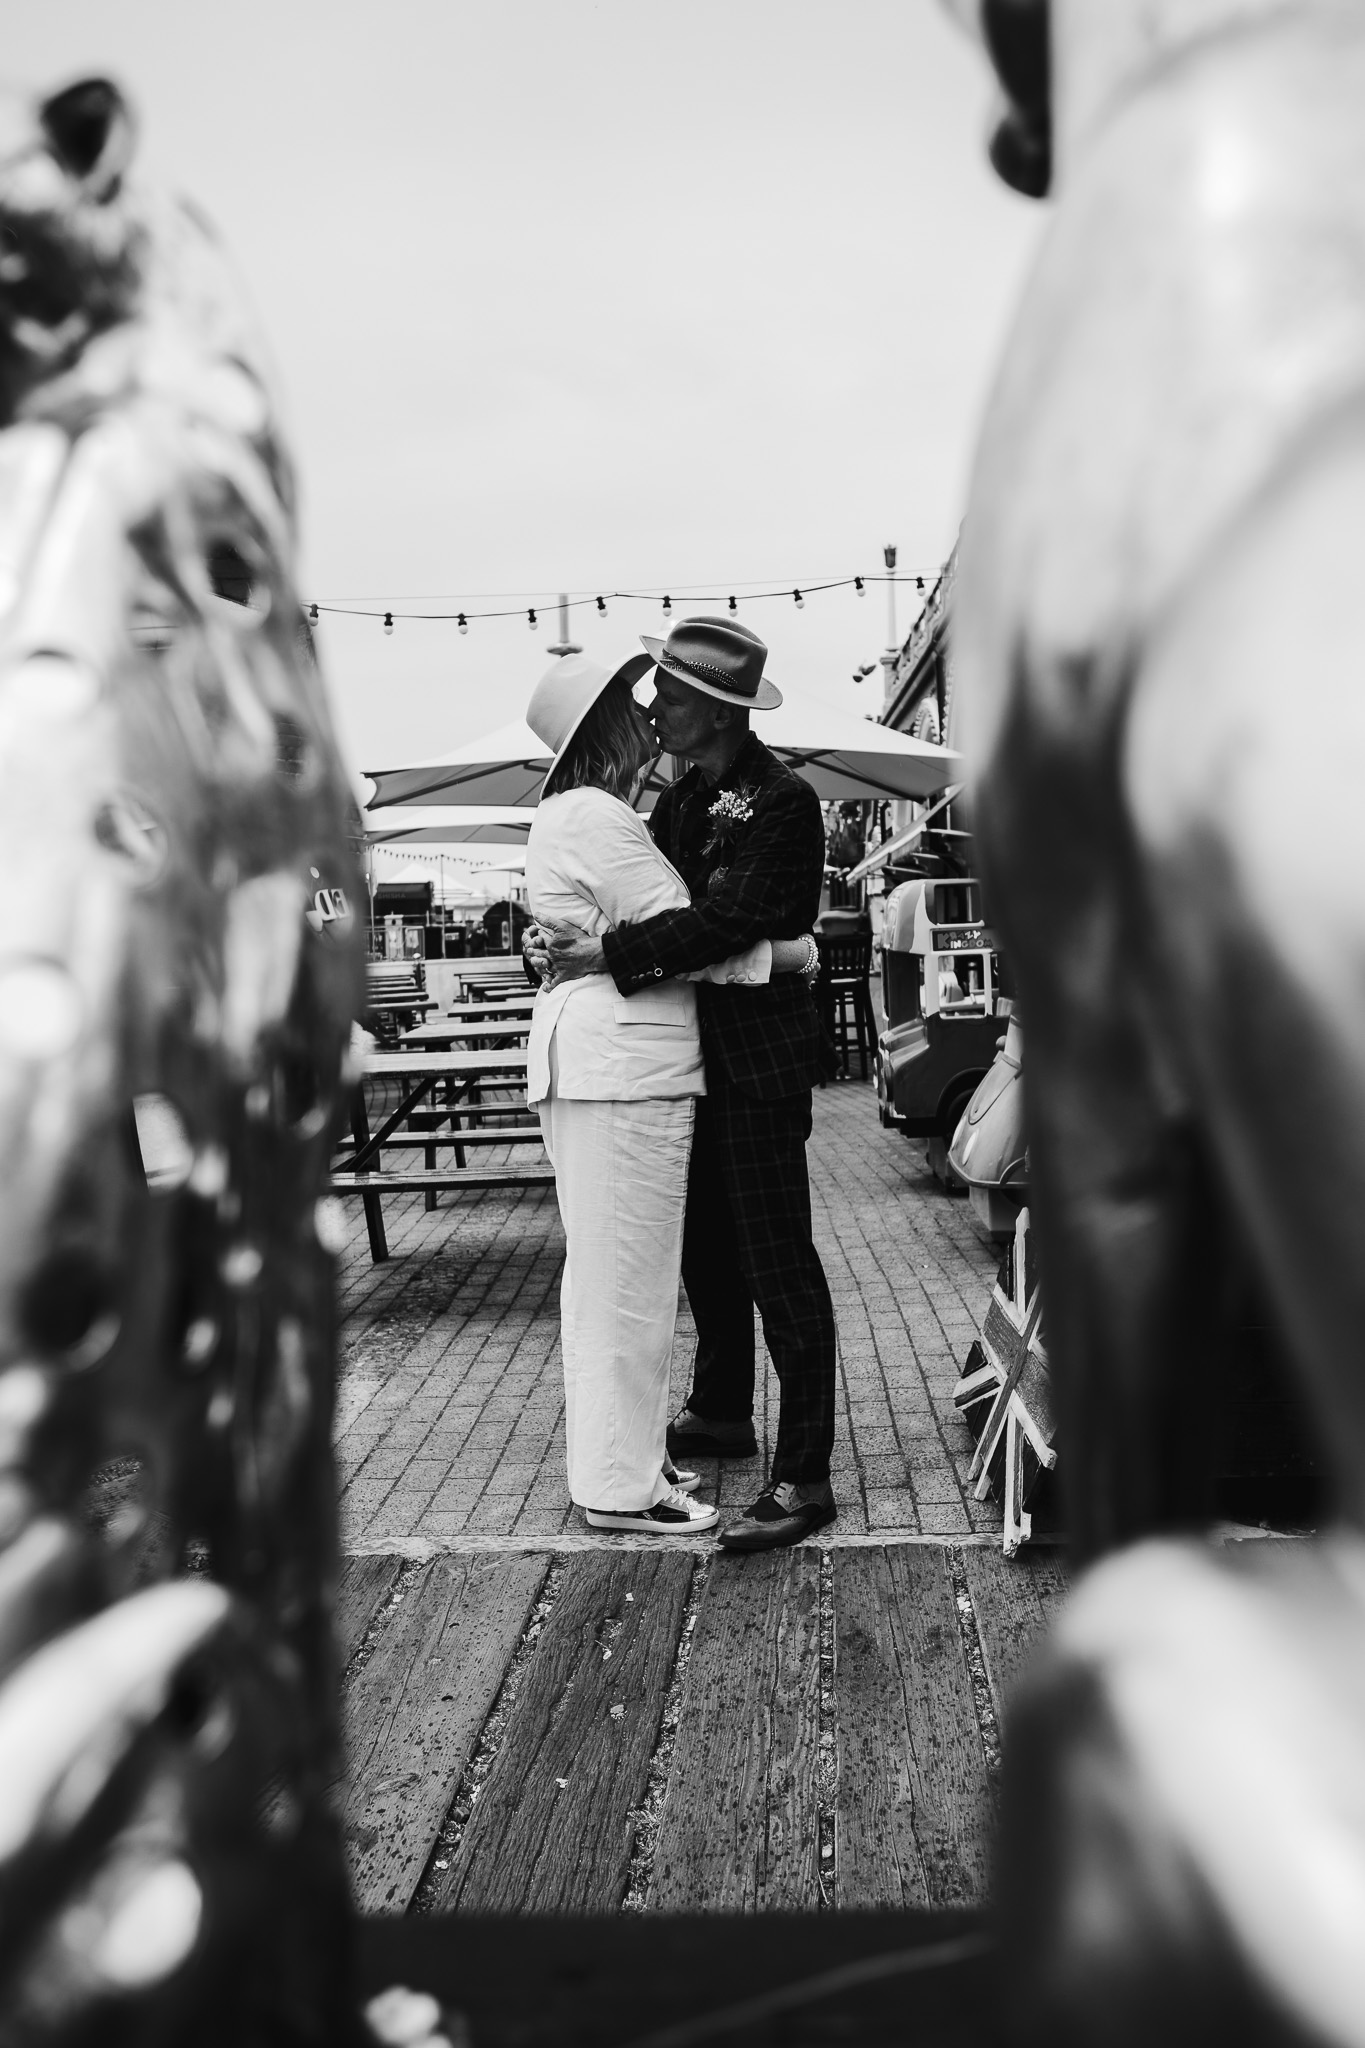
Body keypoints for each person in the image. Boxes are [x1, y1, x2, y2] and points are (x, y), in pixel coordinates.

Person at [534, 616, 838, 1552]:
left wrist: (602, 952)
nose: (650, 706)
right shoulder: (678, 800)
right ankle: (718, 1411)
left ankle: (805, 1474)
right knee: (705, 1256)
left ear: (710, 707)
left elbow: (721, 920)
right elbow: (688, 916)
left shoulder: (782, 799)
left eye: (663, 692)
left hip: (756, 1069)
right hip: (692, 1062)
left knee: (777, 1265)